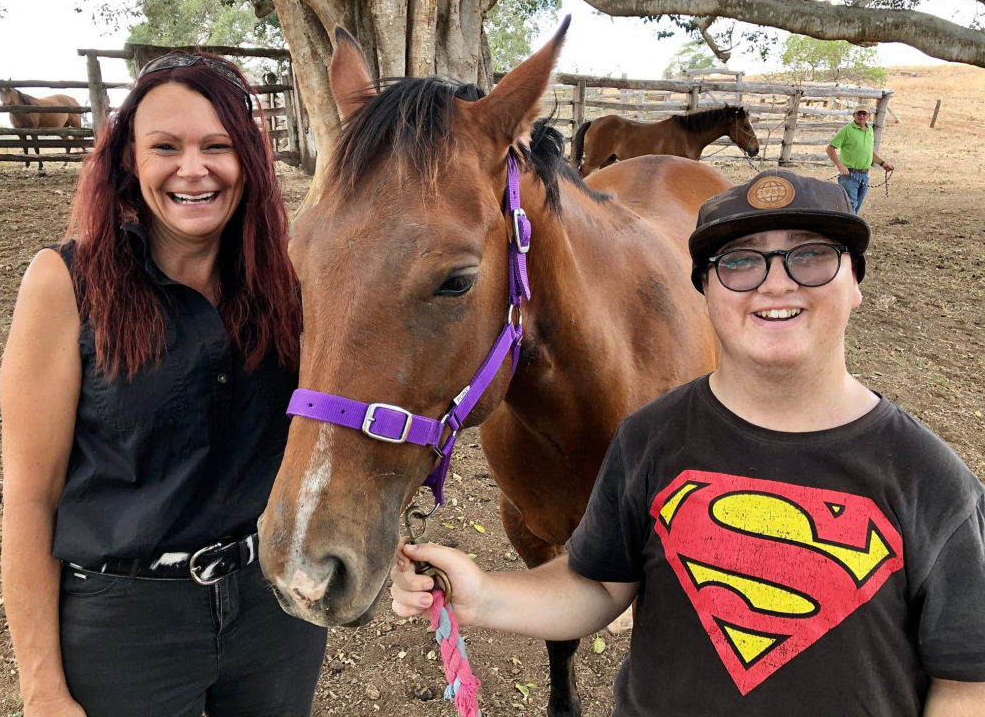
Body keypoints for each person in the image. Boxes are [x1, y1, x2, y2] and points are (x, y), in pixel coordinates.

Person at [391, 169, 985, 716]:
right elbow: (598, 585)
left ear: (855, 283)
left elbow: (965, 683)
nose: (775, 283)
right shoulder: (651, 438)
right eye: (740, 263)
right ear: (705, 291)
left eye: (811, 257)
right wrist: (485, 594)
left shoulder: (930, 480)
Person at [0, 53, 326, 717]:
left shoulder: (291, 285)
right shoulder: (65, 285)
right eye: (165, 148)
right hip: (125, 622)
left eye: (218, 146)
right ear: (129, 163)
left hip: (274, 608)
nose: (193, 168)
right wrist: (41, 688)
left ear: (249, 164)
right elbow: (31, 500)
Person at [826, 106, 895, 213]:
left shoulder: (870, 130)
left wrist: (883, 163)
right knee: (850, 205)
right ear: (854, 115)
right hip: (849, 175)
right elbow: (830, 149)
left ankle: (848, 227)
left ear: (868, 116)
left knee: (856, 206)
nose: (861, 116)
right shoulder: (847, 130)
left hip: (864, 175)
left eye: (864, 114)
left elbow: (868, 151)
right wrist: (840, 166)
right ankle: (850, 228)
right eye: (859, 114)